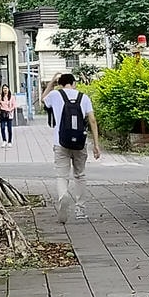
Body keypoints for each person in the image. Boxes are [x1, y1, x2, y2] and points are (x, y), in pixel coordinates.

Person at [42, 71, 102, 219]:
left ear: (60, 84)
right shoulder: (84, 97)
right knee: (80, 175)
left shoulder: (55, 95)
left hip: (60, 142)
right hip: (80, 143)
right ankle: (80, 209)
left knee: (61, 176)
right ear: (74, 83)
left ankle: (63, 197)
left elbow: (43, 99)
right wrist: (96, 144)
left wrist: (51, 83)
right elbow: (92, 120)